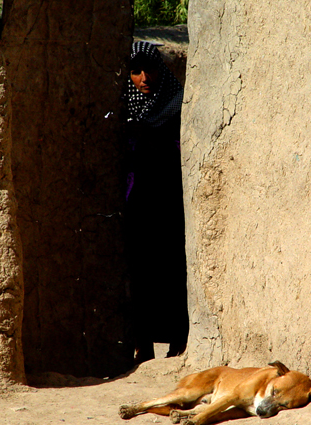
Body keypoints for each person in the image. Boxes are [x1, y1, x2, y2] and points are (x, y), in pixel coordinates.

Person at [124, 41, 189, 363]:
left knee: (173, 271)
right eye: (135, 71)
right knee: (140, 273)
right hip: (137, 205)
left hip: (171, 204)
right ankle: (143, 345)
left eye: (148, 69)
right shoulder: (125, 110)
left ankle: (179, 339)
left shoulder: (177, 104)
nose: (143, 77)